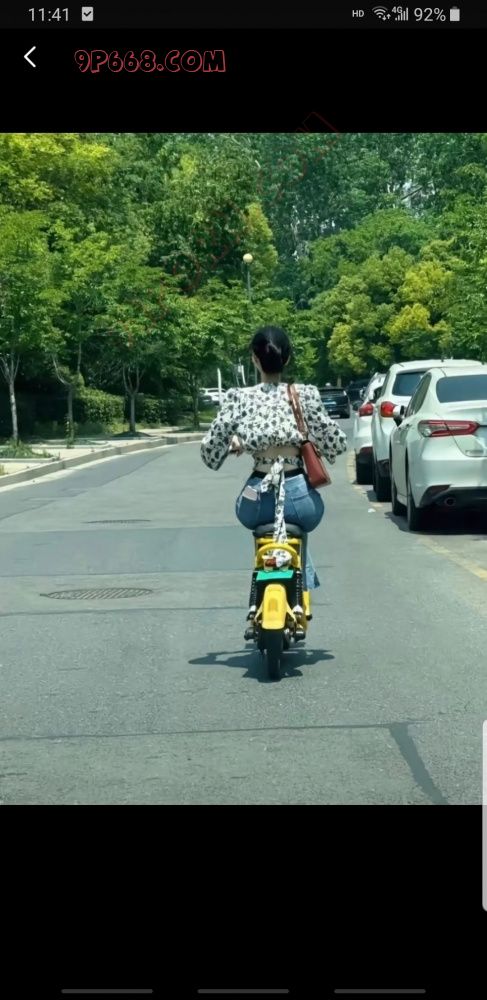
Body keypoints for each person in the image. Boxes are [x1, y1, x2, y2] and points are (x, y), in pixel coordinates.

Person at [200, 326, 347, 627]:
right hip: (300, 499)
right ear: (287, 358)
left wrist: (238, 444)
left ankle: (261, 584)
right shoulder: (305, 395)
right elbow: (337, 444)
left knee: (261, 527)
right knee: (298, 529)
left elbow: (209, 453)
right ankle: (301, 588)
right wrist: (307, 440)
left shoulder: (238, 397)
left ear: (254, 360)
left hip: (256, 499)